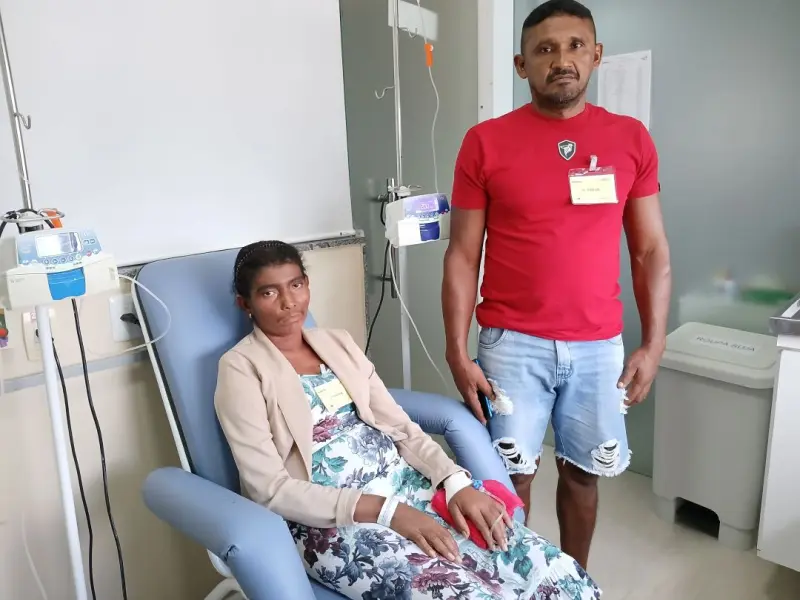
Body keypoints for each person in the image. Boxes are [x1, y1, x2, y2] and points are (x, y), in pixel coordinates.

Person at [215, 240, 602, 600]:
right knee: (465, 592)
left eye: (296, 285)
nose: (289, 302)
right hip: (333, 522)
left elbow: (399, 426)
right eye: (269, 293)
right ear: (245, 304)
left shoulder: (337, 343)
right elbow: (270, 488)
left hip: (409, 487)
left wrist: (454, 482)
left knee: (549, 567)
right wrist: (388, 512)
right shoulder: (241, 369)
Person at [442, 0, 671, 571]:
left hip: (598, 346)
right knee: (507, 477)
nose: (561, 59)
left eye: (575, 46)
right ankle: (511, 579)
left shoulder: (630, 139)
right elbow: (463, 254)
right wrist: (456, 349)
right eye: (544, 49)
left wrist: (654, 343)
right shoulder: (485, 142)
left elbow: (649, 250)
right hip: (510, 344)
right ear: (522, 65)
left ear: (596, 55)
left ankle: (573, 580)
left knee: (583, 474)